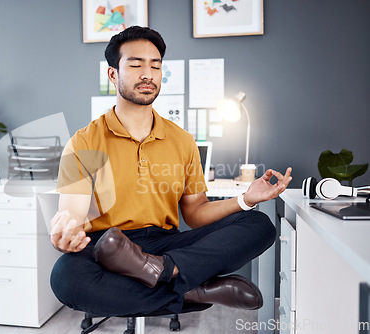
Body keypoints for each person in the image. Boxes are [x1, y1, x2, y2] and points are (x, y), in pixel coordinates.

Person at [50, 26, 292, 317]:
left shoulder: (182, 141)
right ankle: (193, 289)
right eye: (136, 64)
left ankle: (167, 271)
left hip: (163, 243)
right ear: (113, 74)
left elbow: (195, 213)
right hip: (107, 244)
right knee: (66, 277)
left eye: (155, 65)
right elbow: (73, 215)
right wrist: (67, 232)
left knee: (259, 225)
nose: (147, 74)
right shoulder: (84, 141)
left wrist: (246, 199)